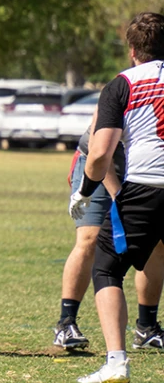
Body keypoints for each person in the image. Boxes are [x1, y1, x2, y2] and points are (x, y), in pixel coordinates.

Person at [72, 12, 164, 383]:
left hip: (146, 183)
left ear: (131, 51)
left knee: (107, 267)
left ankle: (116, 362)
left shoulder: (122, 84)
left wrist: (85, 191)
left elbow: (99, 154)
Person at [54, 119, 164, 350]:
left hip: (145, 173)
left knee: (157, 243)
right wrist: (118, 196)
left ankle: (147, 328)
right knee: (90, 238)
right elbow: (100, 150)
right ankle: (66, 324)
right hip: (98, 163)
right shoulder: (124, 87)